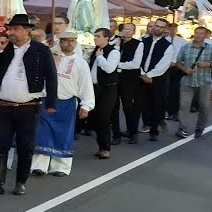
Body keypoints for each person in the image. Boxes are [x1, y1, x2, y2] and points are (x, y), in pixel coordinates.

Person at [0, 14, 58, 196]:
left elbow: (51, 77)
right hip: (5, 106)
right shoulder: (5, 48)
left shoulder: (41, 50)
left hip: (29, 107)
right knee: (0, 144)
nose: (11, 32)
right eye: (10, 29)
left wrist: (52, 103)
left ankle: (20, 182)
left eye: (16, 29)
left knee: (25, 145)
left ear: (27, 31)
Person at [29, 32, 93, 176]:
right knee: (42, 133)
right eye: (66, 41)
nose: (69, 44)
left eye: (72, 41)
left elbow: (86, 85)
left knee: (64, 134)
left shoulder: (81, 63)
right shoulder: (50, 58)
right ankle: (39, 166)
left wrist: (86, 106)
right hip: (47, 100)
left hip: (67, 103)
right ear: (60, 42)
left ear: (76, 43)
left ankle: (60, 167)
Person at [173, 27, 212, 139]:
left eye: (201, 33)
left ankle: (200, 127)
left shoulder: (211, 48)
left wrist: (209, 64)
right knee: (184, 105)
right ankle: (182, 128)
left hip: (203, 81)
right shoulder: (185, 47)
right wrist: (185, 69)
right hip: (187, 81)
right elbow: (178, 62)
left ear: (205, 36)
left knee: (204, 106)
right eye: (196, 33)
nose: (198, 35)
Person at [138, 18, 176, 141]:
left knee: (157, 105)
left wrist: (150, 75)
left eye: (161, 27)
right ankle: (140, 126)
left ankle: (154, 130)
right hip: (141, 77)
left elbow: (163, 65)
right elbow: (137, 58)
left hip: (158, 80)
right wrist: (143, 74)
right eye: (157, 26)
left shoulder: (168, 46)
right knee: (141, 104)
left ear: (165, 30)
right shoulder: (143, 41)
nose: (158, 28)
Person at [89, 28, 121, 159]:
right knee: (95, 117)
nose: (95, 38)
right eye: (95, 36)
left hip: (107, 89)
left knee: (104, 118)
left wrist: (100, 57)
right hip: (94, 88)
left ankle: (105, 147)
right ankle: (100, 145)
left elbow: (109, 68)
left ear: (106, 38)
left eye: (98, 36)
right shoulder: (95, 51)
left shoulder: (113, 52)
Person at [113, 22, 144, 144]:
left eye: (130, 30)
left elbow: (135, 64)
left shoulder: (138, 44)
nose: (127, 32)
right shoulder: (117, 42)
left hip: (130, 79)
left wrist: (117, 65)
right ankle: (116, 134)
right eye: (125, 29)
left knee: (128, 106)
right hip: (115, 78)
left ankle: (133, 132)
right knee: (114, 106)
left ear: (133, 32)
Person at [164, 22, 188, 121]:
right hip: (165, 68)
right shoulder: (164, 40)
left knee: (175, 90)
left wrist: (176, 62)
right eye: (170, 29)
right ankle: (168, 111)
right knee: (167, 90)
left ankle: (175, 112)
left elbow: (184, 55)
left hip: (177, 68)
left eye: (174, 29)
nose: (172, 31)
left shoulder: (183, 42)